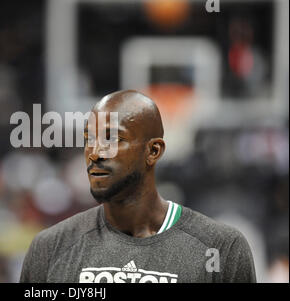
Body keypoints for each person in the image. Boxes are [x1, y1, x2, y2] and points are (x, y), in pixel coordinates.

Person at [19, 89, 256, 283]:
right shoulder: (50, 248)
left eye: (112, 139)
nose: (96, 153)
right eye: (90, 139)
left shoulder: (222, 248)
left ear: (153, 151)